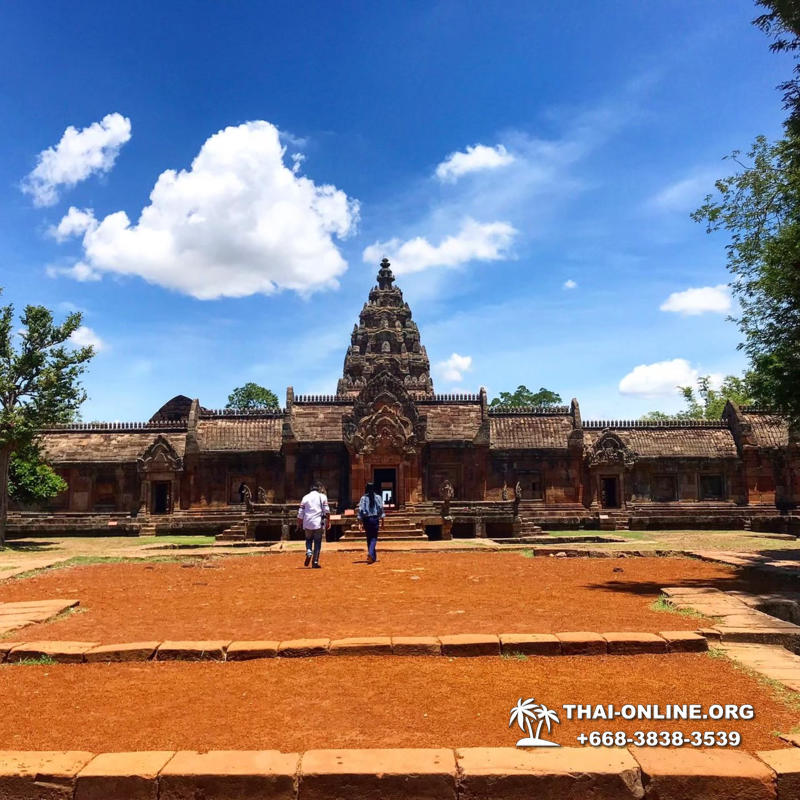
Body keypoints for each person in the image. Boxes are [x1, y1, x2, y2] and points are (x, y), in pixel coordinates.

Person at [297, 482, 330, 569]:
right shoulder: (322, 497)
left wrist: (299, 523)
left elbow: (300, 513)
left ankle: (308, 552)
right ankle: (315, 561)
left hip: (307, 522)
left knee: (308, 539)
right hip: (318, 523)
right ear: (318, 489)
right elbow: (327, 511)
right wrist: (328, 522)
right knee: (317, 542)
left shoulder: (305, 497)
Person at [357, 482, 385, 564]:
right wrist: (383, 522)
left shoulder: (363, 498)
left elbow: (360, 510)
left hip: (366, 520)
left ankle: (372, 557)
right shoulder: (378, 498)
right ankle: (370, 553)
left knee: (369, 537)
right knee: (373, 538)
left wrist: (360, 523)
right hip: (375, 519)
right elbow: (381, 510)